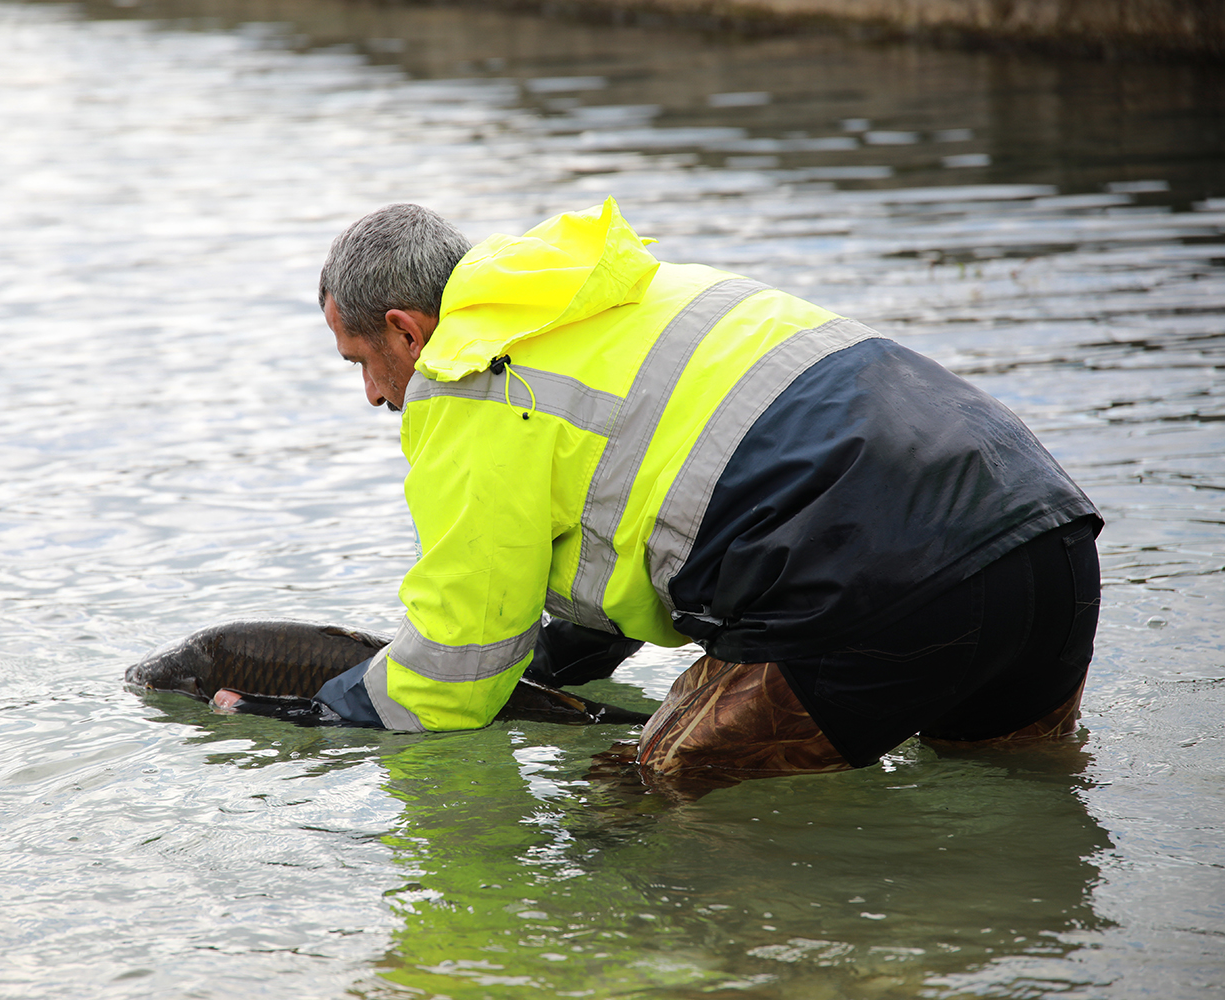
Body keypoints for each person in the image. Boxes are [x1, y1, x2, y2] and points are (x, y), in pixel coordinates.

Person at [310, 198, 1102, 777]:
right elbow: (642, 512)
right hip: (1047, 537)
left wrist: (318, 708)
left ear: (408, 330)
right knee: (1029, 810)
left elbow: (458, 653)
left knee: (643, 805)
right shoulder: (610, 292)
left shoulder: (467, 379)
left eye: (362, 362)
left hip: (877, 592)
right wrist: (554, 663)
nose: (376, 396)